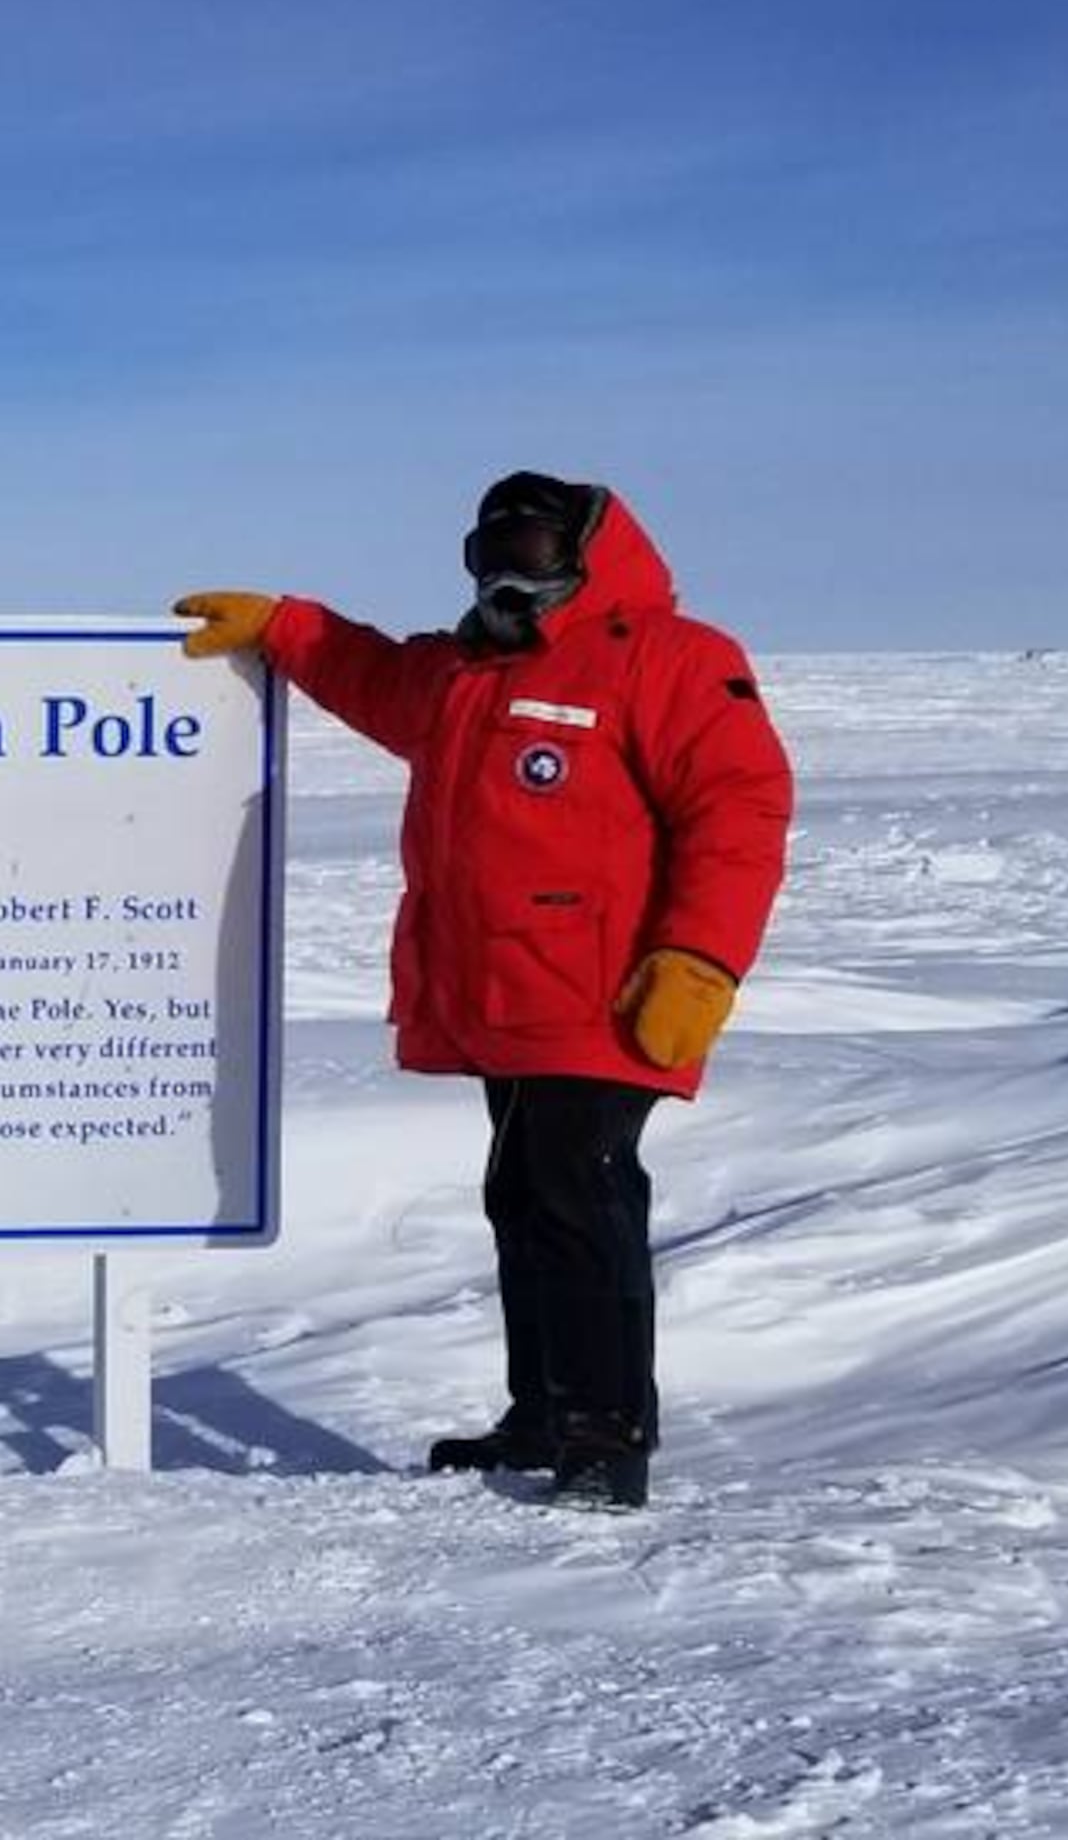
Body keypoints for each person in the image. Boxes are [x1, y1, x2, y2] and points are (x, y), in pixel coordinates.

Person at [173, 471, 793, 1508]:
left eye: (538, 550)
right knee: (525, 1194)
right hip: (506, 990)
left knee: (575, 1191)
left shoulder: (673, 659)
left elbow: (741, 809)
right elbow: (370, 673)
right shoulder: (465, 674)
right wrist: (284, 624)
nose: (510, 571)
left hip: (617, 992)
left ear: (591, 554)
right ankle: (545, 1417)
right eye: (489, 552)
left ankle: (607, 1436)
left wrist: (700, 959)